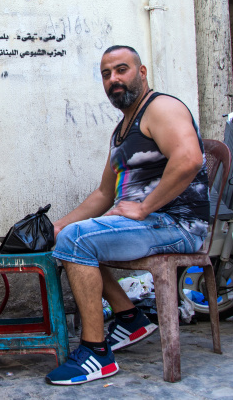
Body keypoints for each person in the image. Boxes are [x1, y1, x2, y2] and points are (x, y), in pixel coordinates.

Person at [45, 45, 209, 386]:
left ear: (142, 72)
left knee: (79, 241)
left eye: (122, 70)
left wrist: (146, 206)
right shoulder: (123, 129)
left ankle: (96, 353)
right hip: (147, 225)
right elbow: (105, 193)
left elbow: (190, 159)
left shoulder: (161, 108)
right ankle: (130, 317)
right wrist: (59, 224)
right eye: (106, 74)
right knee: (71, 235)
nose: (114, 79)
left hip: (176, 224)